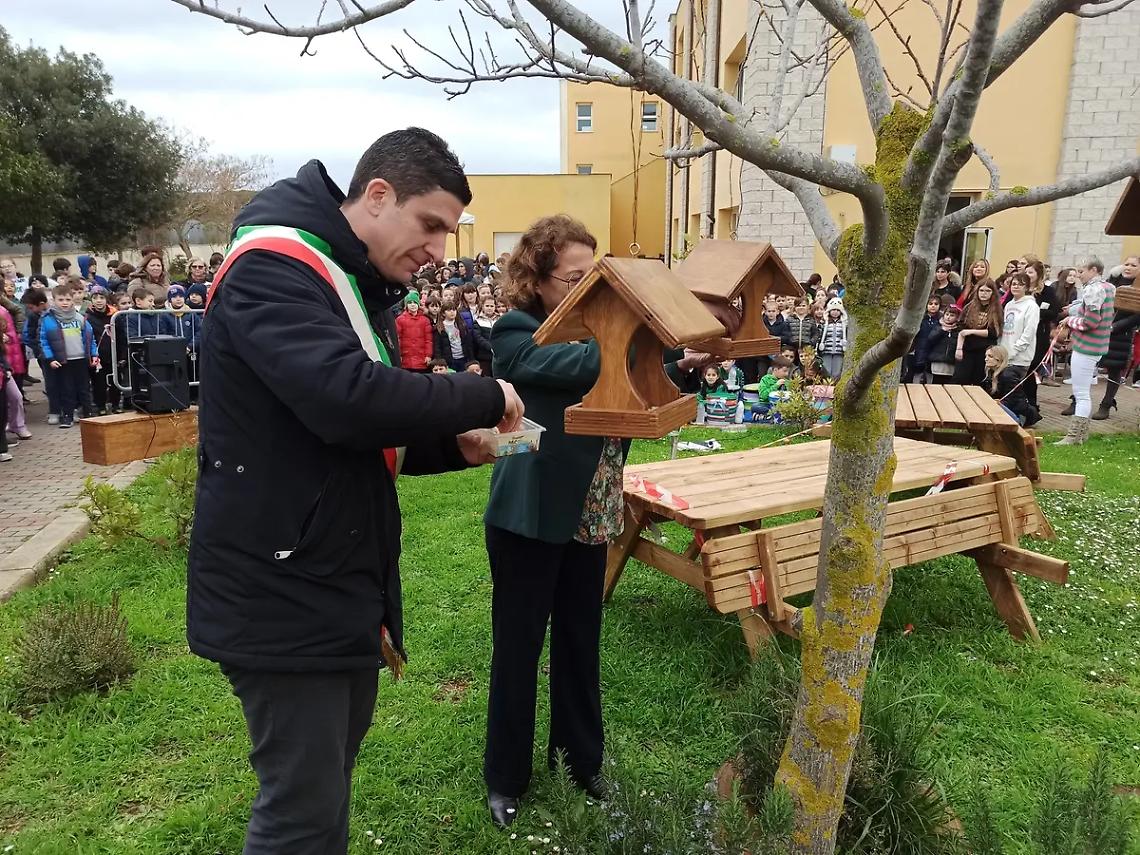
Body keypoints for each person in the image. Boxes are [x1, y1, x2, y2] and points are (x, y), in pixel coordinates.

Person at [187, 128, 524, 855]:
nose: (439, 249)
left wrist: (448, 447)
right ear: (377, 195)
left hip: (324, 581)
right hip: (281, 591)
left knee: (323, 792)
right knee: (301, 814)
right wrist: (479, 396)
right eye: (431, 224)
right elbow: (346, 398)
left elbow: (335, 434)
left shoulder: (339, 277)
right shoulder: (274, 269)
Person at [482, 214, 722, 829]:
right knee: (518, 648)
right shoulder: (516, 330)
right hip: (528, 518)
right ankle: (505, 777)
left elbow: (629, 383)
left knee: (580, 642)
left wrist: (675, 364)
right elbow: (568, 367)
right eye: (571, 279)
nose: (583, 291)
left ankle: (581, 763)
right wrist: (642, 335)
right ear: (536, 279)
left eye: (595, 279)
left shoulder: (603, 333)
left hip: (592, 511)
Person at [1056, 257, 1115, 445]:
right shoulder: (1108, 287)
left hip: (1087, 345)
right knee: (1083, 392)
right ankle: (1081, 435)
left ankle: (1074, 436)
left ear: (1094, 270)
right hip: (1097, 345)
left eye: (1082, 271)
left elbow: (1090, 322)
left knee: (1081, 393)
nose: (1079, 276)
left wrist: (1069, 321)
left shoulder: (1093, 289)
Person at [39, 282, 98, 427]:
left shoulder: (80, 318)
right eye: (60, 300)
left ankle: (89, 414)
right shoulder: (48, 320)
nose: (64, 303)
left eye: (67, 300)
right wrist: (50, 358)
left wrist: (94, 354)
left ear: (72, 300)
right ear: (53, 300)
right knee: (67, 390)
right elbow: (44, 341)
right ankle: (68, 416)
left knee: (84, 388)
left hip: (81, 359)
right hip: (63, 361)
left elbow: (90, 338)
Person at [1093, 255, 1139, 420]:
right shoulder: (1112, 282)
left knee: (1114, 369)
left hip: (1121, 334)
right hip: (1101, 328)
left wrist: (1115, 327)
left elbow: (1137, 315)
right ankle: (1077, 400)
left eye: (1133, 265)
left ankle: (1106, 403)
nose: (1128, 267)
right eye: (1126, 264)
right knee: (1088, 363)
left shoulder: (1138, 287)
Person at [1023, 257, 1059, 406]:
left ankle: (1031, 403)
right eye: (1026, 272)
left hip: (1039, 334)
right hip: (1021, 333)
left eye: (1030, 272)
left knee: (1031, 369)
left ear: (1038, 274)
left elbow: (1054, 311)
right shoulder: (1021, 289)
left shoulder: (1047, 291)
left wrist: (1035, 313)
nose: (1027, 275)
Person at [953, 279, 1002, 386]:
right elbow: (961, 329)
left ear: (993, 293)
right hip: (967, 349)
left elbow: (994, 332)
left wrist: (971, 332)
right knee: (960, 378)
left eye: (987, 291)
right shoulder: (969, 307)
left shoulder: (996, 309)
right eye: (981, 291)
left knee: (979, 381)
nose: (984, 294)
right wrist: (959, 348)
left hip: (984, 351)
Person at [985, 345, 1035, 425]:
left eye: (990, 356)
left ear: (999, 359)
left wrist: (998, 403)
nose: (986, 359)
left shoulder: (1008, 376)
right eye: (986, 356)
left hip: (1018, 415)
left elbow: (1013, 400)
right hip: (1003, 410)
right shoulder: (991, 374)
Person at [85, 286, 115, 415]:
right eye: (95, 298)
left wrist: (122, 354)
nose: (98, 301)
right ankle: (100, 406)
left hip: (112, 354)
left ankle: (114, 404)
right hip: (97, 355)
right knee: (99, 383)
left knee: (114, 381)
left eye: (102, 297)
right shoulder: (88, 317)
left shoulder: (114, 315)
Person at [922, 303, 961, 384]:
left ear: (957, 317)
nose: (948, 317)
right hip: (937, 360)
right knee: (936, 382)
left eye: (952, 315)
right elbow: (931, 339)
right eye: (947, 314)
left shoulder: (958, 331)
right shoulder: (938, 326)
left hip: (951, 361)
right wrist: (942, 330)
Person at [395, 292, 434, 371]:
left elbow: (428, 340)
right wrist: (398, 355)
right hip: (406, 359)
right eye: (410, 303)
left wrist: (428, 355)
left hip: (422, 359)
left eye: (415, 302)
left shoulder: (425, 320)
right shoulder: (400, 320)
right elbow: (397, 339)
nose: (412, 305)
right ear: (406, 305)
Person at [434, 298, 476, 371]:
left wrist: (471, 359)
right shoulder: (440, 328)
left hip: (463, 358)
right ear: (443, 313)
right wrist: (441, 362)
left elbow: (468, 343)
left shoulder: (461, 325)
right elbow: (438, 348)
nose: (452, 312)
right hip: (450, 360)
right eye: (449, 310)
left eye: (454, 310)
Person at [816, 297, 847, 379]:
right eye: (833, 310)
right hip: (826, 350)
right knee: (826, 371)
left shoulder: (844, 323)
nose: (835, 312)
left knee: (837, 372)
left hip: (839, 350)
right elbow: (819, 335)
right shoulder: (824, 322)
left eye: (837, 310)